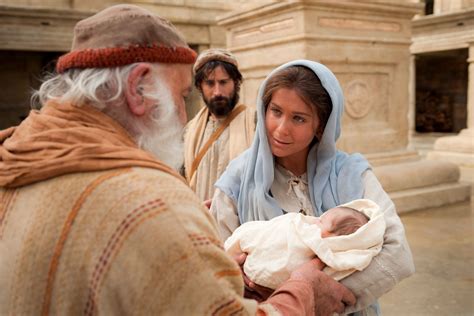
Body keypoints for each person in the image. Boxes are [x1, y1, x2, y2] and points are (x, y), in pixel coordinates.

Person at [0, 6, 358, 315]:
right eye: (182, 94)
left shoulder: (16, 155)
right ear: (139, 88)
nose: (184, 117)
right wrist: (304, 292)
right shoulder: (150, 201)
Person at [210, 60, 415, 314]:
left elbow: (397, 254)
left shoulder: (351, 174)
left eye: (298, 118)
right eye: (275, 111)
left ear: (320, 126)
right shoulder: (236, 180)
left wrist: (321, 294)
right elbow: (217, 265)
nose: (281, 129)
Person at [225, 199, 385, 290]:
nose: (315, 220)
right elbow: (277, 229)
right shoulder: (238, 173)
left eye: (321, 221)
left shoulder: (325, 251)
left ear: (336, 239)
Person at [184, 48, 256, 201]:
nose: (217, 91)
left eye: (223, 82)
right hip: (201, 218)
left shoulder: (254, 123)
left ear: (236, 83)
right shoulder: (190, 131)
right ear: (199, 87)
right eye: (210, 83)